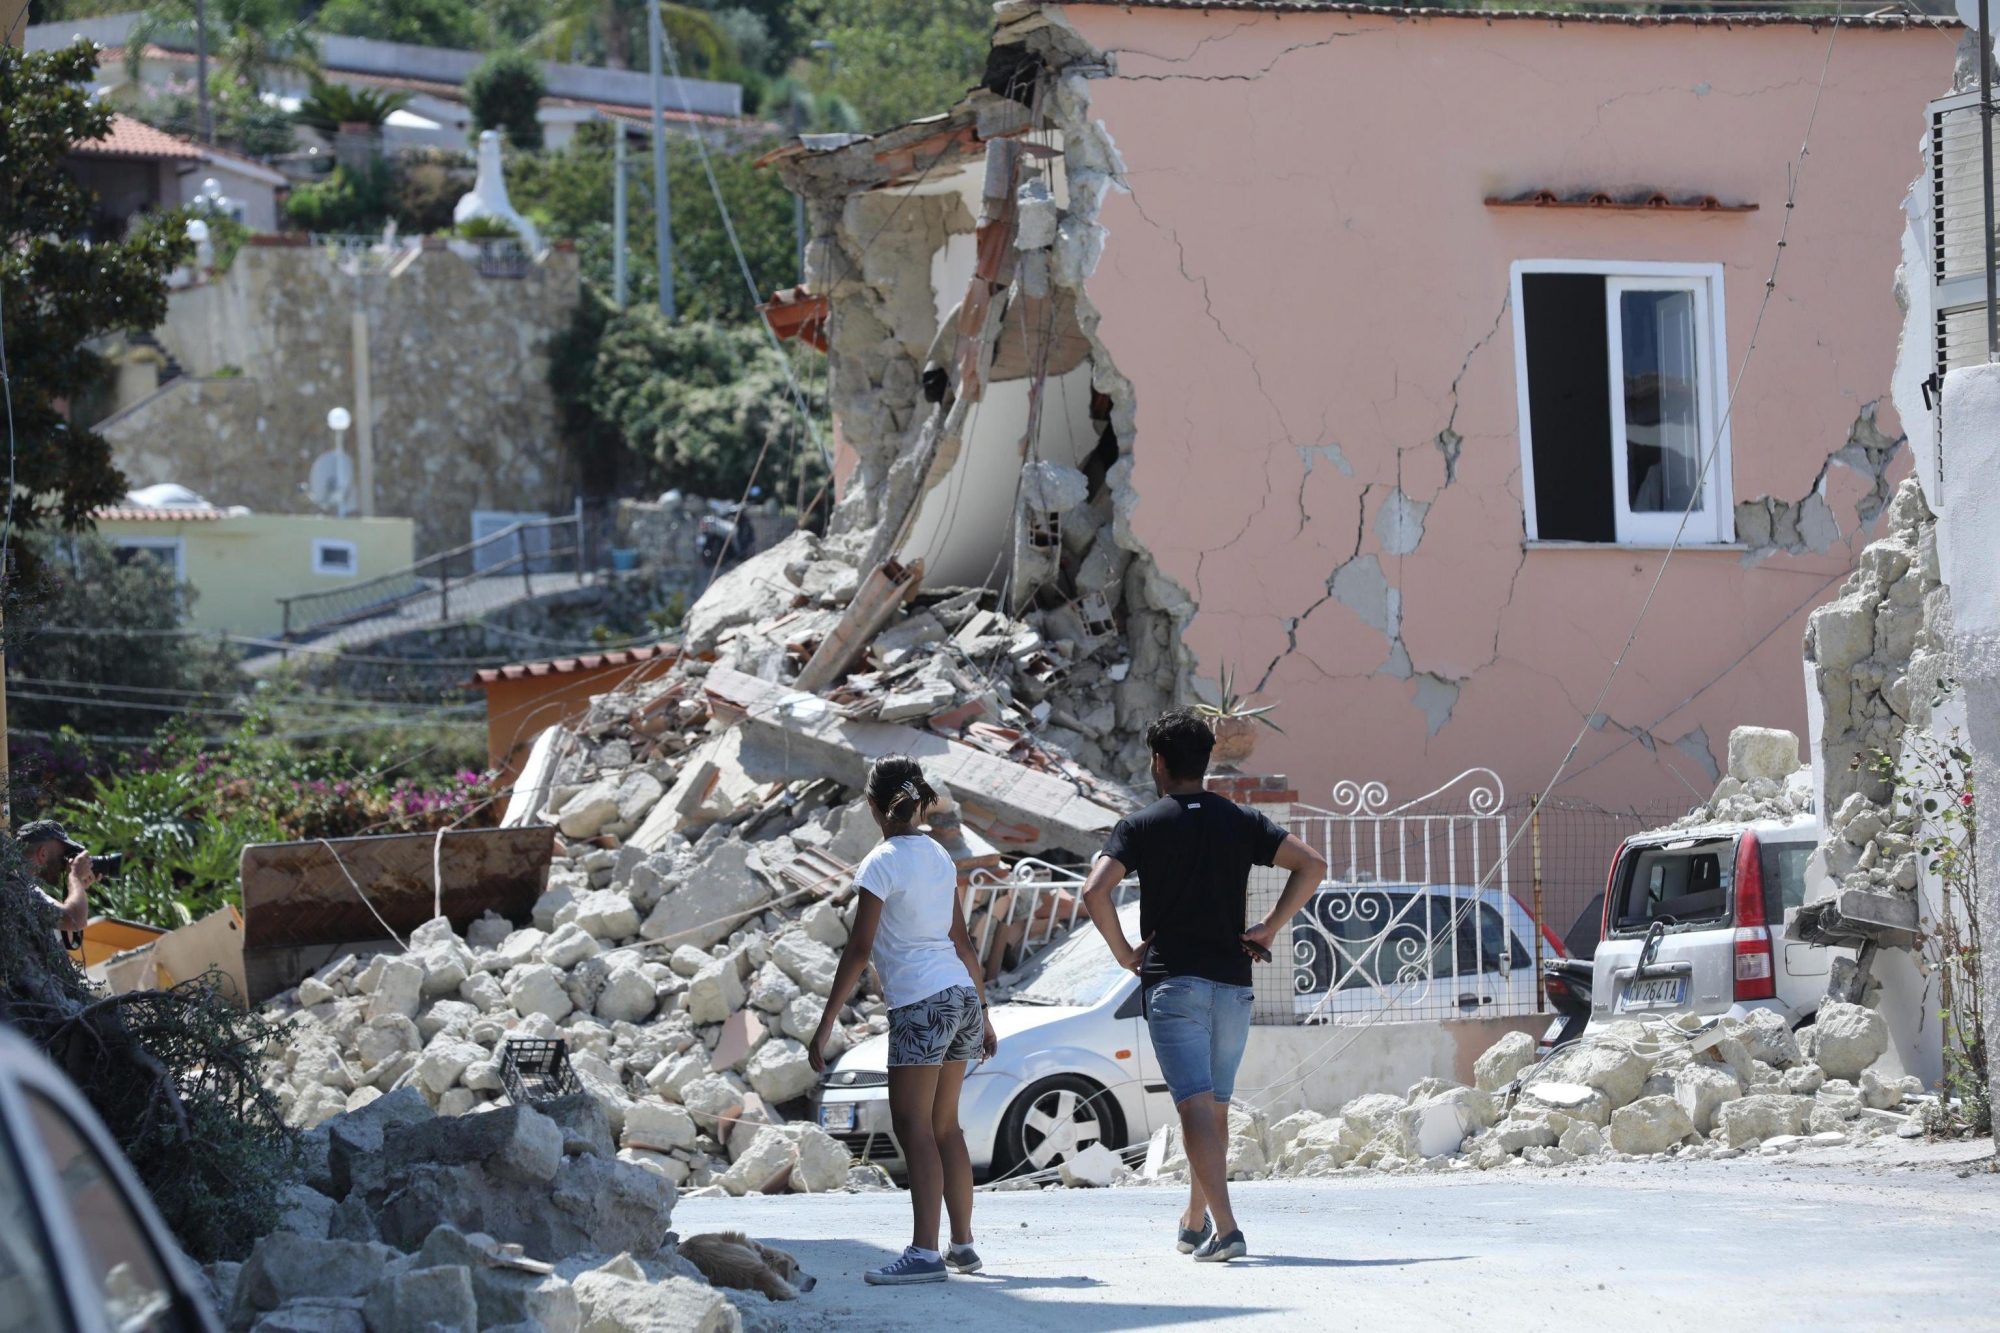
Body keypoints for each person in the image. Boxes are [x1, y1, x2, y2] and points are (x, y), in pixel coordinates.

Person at [1080, 708, 1328, 1263]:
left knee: (1193, 1111)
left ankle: (1229, 1229)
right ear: (1206, 761)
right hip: (1235, 987)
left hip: (1175, 987)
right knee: (1213, 1112)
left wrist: (1126, 956)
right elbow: (1311, 864)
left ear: (1160, 763)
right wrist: (1267, 928)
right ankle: (1195, 1220)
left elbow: (1095, 893)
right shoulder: (1239, 820)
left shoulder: (1140, 825)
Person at [808, 755, 997, 1287]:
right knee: (945, 1127)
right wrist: (983, 1014)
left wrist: (824, 1026)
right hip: (960, 996)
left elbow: (859, 948)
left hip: (920, 1003)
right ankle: (963, 1245)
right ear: (917, 801)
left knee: (913, 1127)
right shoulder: (939, 855)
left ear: (873, 806)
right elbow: (962, 942)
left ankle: (923, 1253)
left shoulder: (880, 861)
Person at [15, 820, 98, 947]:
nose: (64, 864)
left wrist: (76, 889)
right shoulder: (17, 888)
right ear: (42, 854)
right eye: (62, 856)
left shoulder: (24, 886)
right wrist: (75, 877)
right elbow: (75, 920)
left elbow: (68, 938)